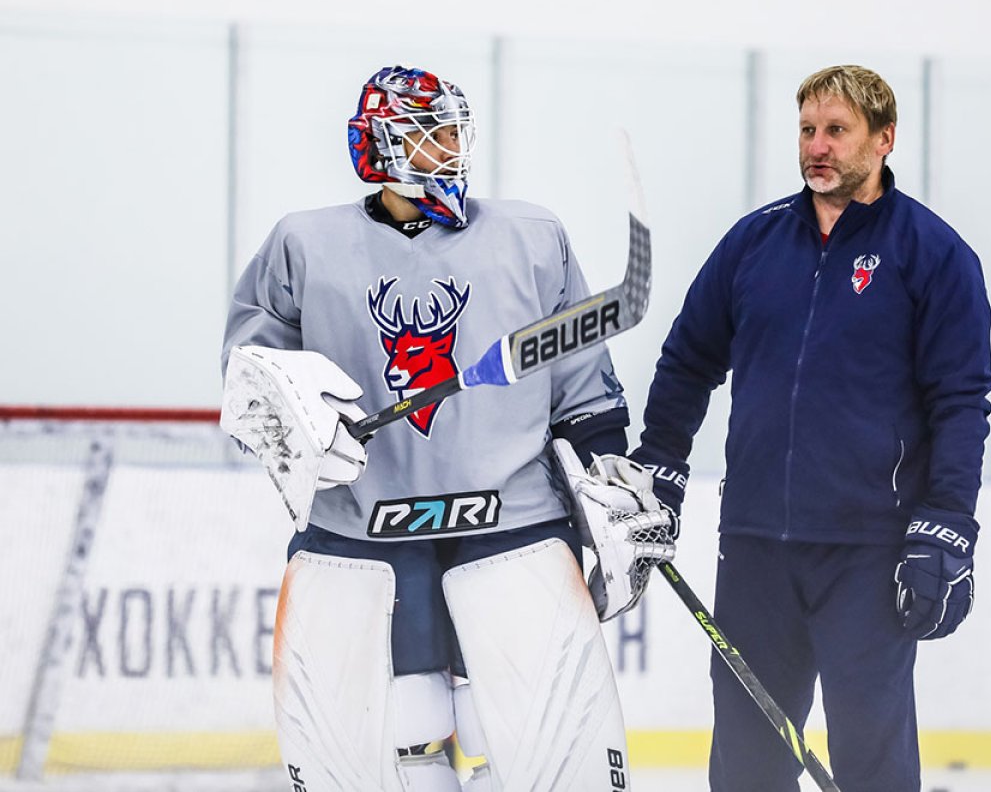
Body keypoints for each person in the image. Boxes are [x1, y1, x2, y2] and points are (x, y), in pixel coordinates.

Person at [220, 64, 665, 791]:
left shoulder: (531, 235)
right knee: (402, 734)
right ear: (382, 147)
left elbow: (582, 381)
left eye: (456, 130)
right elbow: (251, 375)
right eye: (431, 134)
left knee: (529, 743)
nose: (452, 147)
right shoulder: (302, 246)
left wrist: (608, 469)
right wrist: (291, 422)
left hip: (514, 520)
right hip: (361, 528)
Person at [628, 64, 991, 792]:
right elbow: (687, 360)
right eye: (806, 130)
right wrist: (660, 463)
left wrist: (947, 524)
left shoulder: (934, 253)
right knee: (746, 757)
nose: (816, 147)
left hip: (870, 549)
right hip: (758, 542)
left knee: (872, 755)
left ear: (884, 139)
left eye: (836, 131)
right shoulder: (754, 243)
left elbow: (961, 401)